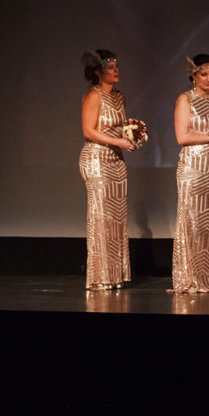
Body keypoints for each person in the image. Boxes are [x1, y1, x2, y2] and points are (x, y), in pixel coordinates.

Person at [171, 53, 209, 294]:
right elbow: (182, 137)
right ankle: (190, 277)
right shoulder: (185, 100)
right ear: (193, 75)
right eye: (203, 74)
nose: (208, 79)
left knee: (208, 221)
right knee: (191, 220)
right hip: (192, 166)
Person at [79, 49, 136, 290]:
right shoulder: (93, 95)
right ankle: (99, 275)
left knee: (116, 219)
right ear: (98, 72)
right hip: (96, 159)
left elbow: (118, 127)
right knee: (101, 217)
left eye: (116, 66)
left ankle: (114, 275)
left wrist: (131, 135)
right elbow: (88, 131)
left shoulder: (119, 96)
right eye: (110, 67)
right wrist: (118, 141)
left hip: (116, 160)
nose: (116, 70)